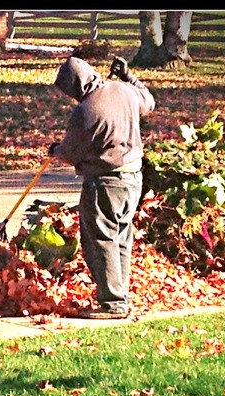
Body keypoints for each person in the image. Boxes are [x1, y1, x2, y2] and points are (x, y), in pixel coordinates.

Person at [48, 55, 155, 319]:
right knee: (120, 237)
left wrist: (56, 150)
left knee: (101, 239)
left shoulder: (87, 111)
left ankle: (112, 303)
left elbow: (72, 153)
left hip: (106, 181)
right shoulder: (124, 90)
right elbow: (149, 101)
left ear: (75, 85)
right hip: (133, 178)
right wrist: (128, 76)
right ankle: (119, 295)